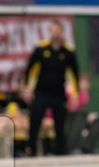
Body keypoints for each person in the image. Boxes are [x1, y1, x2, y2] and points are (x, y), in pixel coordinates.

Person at [25, 19, 79, 156]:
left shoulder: (68, 53)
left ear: (62, 32)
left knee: (60, 124)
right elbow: (31, 70)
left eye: (57, 30)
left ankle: (61, 151)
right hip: (42, 91)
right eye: (52, 30)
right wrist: (28, 88)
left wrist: (75, 94)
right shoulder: (41, 50)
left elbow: (74, 74)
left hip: (58, 93)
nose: (54, 33)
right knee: (35, 120)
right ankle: (31, 149)